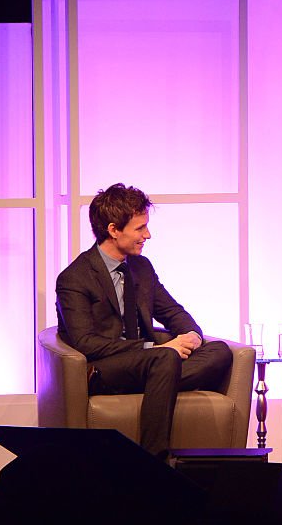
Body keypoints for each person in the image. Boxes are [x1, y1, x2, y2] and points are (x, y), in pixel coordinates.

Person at [55, 183, 233, 460]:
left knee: (219, 351)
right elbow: (86, 343)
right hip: (107, 367)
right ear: (113, 230)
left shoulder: (141, 267)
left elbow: (173, 312)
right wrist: (155, 349)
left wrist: (191, 336)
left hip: (151, 365)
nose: (147, 235)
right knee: (164, 360)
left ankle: (159, 379)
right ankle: (153, 461)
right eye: (140, 228)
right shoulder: (75, 278)